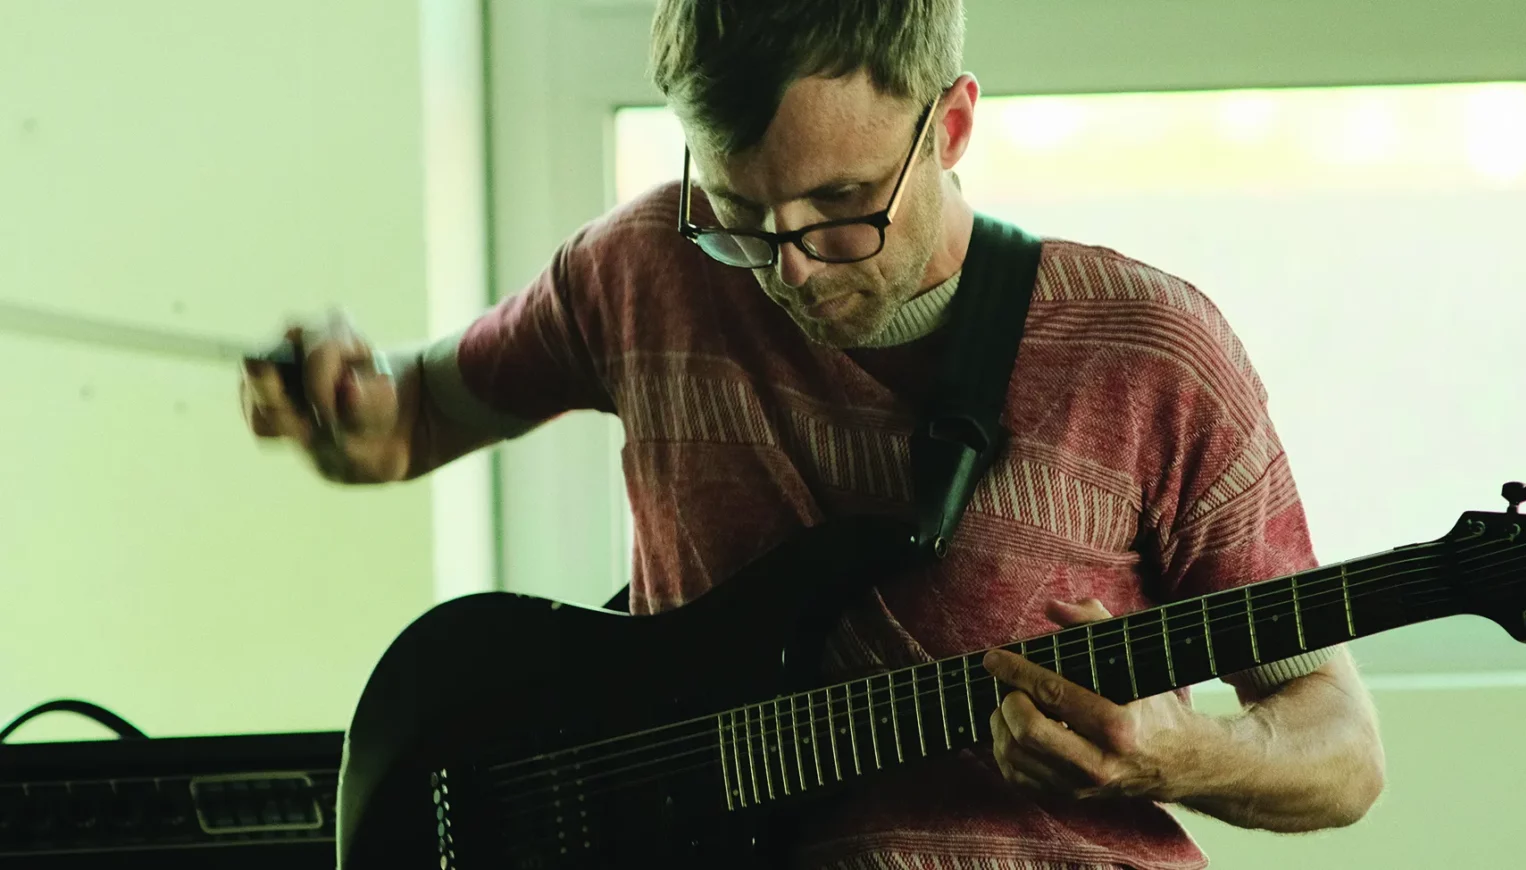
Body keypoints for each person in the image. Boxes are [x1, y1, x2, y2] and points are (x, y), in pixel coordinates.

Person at [240, 1, 1386, 867]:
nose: (785, 268)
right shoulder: (645, 266)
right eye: (740, 212)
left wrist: (1175, 753)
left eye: (841, 208)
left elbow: (1341, 749)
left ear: (952, 125)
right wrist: (347, 396)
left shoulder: (1149, 351)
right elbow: (407, 424)